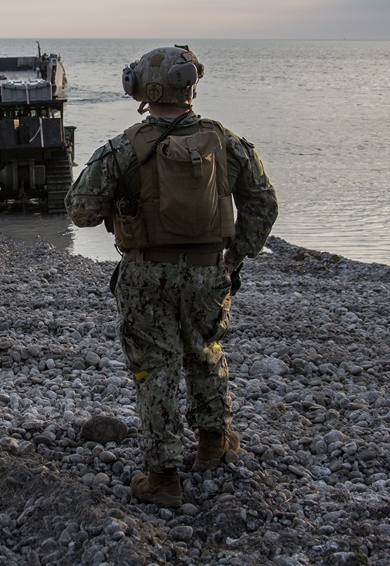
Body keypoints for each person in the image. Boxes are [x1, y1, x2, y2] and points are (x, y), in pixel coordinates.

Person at [65, 46, 277, 508]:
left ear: (143, 90)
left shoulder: (124, 147)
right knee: (206, 351)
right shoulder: (225, 142)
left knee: (154, 368)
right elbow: (263, 202)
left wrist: (120, 203)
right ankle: (213, 443)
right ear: (190, 88)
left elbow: (79, 210)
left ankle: (163, 476)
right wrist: (235, 257)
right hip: (208, 271)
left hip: (145, 274)